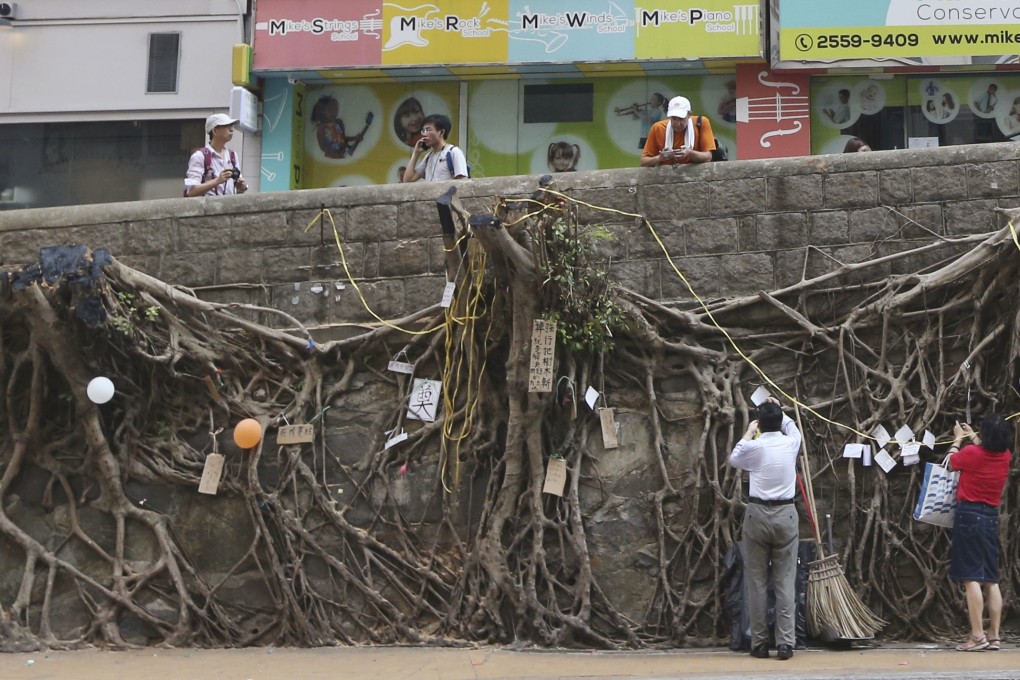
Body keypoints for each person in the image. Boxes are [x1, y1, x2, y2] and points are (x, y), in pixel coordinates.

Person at [727, 397, 801, 661]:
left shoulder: (754, 447)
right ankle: (785, 644)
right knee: (784, 582)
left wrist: (748, 431)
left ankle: (758, 644)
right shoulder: (792, 443)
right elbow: (792, 427)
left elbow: (734, 459)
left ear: (760, 424)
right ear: (780, 422)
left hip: (757, 514)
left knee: (756, 582)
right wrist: (780, 407)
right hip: (786, 515)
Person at [946, 413, 1014, 652]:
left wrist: (957, 439)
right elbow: (986, 448)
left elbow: (951, 463)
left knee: (970, 577)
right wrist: (972, 435)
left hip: (969, 516)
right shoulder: (1005, 456)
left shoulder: (972, 454)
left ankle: (977, 636)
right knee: (990, 578)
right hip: (990, 518)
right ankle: (994, 636)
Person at [640, 96, 715, 167]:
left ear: (689, 115)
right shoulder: (658, 128)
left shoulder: (701, 123)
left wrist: (689, 153)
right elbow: (644, 161)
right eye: (674, 118)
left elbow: (708, 156)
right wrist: (659, 158)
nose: (677, 123)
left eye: (681, 119)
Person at [184, 113, 247, 197]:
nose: (232, 129)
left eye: (232, 126)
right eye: (227, 126)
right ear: (215, 131)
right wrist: (217, 181)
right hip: (209, 209)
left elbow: (237, 188)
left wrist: (242, 187)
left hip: (230, 207)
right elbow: (191, 191)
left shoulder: (232, 155)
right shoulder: (200, 156)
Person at [402, 113, 468, 183]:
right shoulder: (428, 157)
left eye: (428, 130)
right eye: (423, 131)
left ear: (441, 132)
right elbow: (407, 180)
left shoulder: (453, 152)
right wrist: (416, 153)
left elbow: (463, 182)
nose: (424, 134)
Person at [311, 94, 372, 159]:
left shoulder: (339, 122)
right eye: (330, 109)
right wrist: (334, 154)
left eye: (335, 109)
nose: (333, 112)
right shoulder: (321, 127)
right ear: (323, 111)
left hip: (345, 152)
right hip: (333, 155)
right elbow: (323, 147)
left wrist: (355, 138)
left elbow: (342, 139)